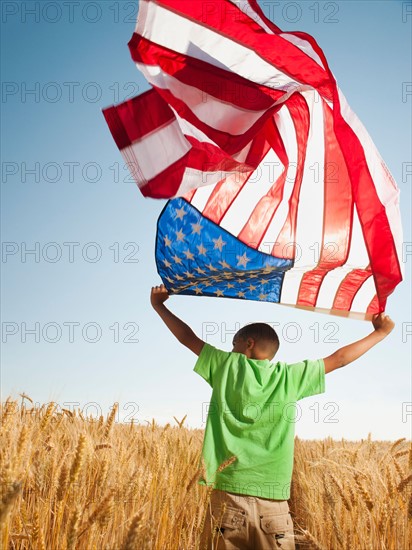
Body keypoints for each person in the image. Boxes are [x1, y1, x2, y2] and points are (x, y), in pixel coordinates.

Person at [150, 284, 395, 550]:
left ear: (248, 344)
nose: (230, 350)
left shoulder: (225, 366)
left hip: (227, 499)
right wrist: (380, 333)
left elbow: (187, 338)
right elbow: (340, 359)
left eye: (233, 345)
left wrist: (160, 306)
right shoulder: (289, 377)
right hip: (274, 506)